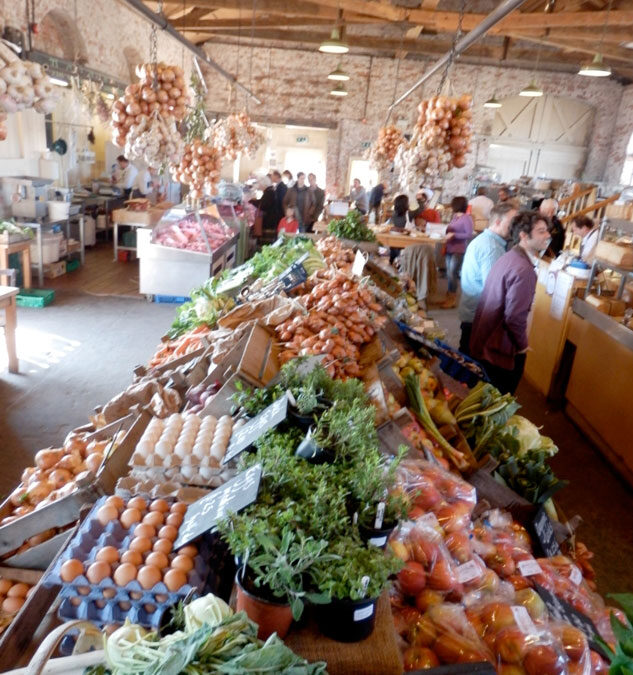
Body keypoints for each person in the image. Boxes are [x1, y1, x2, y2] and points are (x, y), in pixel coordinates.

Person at [469, 211, 551, 395]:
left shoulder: (509, 257)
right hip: (499, 350)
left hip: (486, 342)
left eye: (547, 231)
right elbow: (514, 317)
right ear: (523, 235)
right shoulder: (524, 269)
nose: (547, 235)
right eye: (541, 231)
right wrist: (522, 346)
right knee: (497, 404)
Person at [458, 202, 517, 354]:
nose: (515, 227)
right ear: (497, 222)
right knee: (474, 368)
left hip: (472, 313)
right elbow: (494, 292)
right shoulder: (491, 248)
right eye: (512, 222)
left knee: (466, 362)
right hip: (479, 319)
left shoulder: (484, 240)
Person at [442, 196, 474, 308]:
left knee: (452, 273)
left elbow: (469, 234)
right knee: (448, 273)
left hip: (458, 249)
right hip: (449, 247)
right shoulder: (455, 217)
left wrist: (454, 235)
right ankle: (448, 296)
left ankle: (452, 298)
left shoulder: (466, 218)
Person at [249, 176, 277, 242]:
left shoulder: (269, 192)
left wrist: (252, 201)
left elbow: (263, 205)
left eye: (259, 184)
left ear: (263, 184)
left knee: (266, 241)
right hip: (270, 220)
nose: (259, 186)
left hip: (269, 221)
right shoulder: (269, 191)